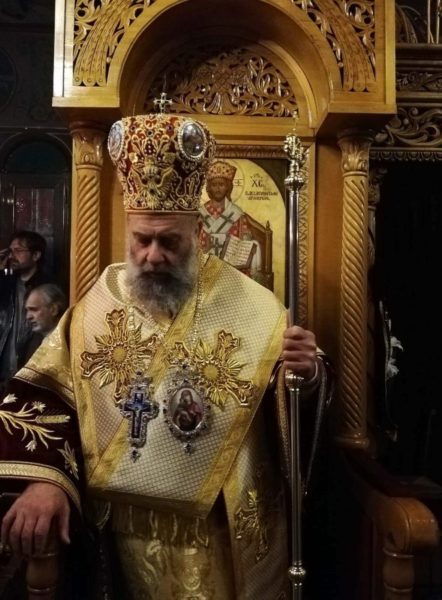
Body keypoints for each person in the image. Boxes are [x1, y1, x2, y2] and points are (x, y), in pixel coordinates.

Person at [0, 114, 329, 599]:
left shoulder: (253, 306)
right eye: (142, 240)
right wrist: (45, 482)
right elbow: (48, 395)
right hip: (119, 542)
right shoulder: (100, 301)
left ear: (198, 234)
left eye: (169, 241)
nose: (153, 256)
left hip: (220, 536)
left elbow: (289, 412)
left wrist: (306, 375)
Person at [0, 231, 50, 393]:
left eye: (18, 250)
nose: (12, 256)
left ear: (36, 255)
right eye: (10, 250)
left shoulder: (47, 288)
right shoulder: (6, 284)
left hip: (29, 368)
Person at [199, 160, 262, 276]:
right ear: (209, 188)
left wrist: (248, 243)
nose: (218, 188)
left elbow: (244, 239)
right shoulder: (200, 213)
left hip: (230, 269)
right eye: (214, 185)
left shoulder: (236, 213)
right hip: (204, 266)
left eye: (221, 185)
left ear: (228, 187)